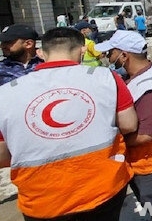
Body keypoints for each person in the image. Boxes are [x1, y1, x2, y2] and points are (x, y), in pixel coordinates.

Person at [0, 27, 138, 220]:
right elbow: (129, 124)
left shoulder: (5, 94)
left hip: (43, 201)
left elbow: (2, 156)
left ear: (41, 52)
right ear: (82, 50)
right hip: (103, 189)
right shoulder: (107, 78)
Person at [95, 30, 152, 220]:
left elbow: (146, 135)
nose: (107, 57)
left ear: (124, 55)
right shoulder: (140, 74)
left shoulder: (150, 87)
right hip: (146, 161)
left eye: (110, 52)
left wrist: (113, 146)